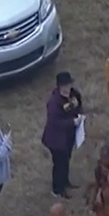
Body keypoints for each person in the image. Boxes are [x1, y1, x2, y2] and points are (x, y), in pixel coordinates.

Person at [41, 71, 84, 199]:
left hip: (68, 137)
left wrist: (80, 113)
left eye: (68, 85)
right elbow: (55, 122)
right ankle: (57, 189)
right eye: (64, 86)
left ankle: (65, 182)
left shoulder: (73, 94)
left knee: (66, 160)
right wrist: (73, 122)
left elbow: (79, 105)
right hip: (56, 139)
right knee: (59, 164)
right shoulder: (54, 102)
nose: (67, 88)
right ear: (59, 86)